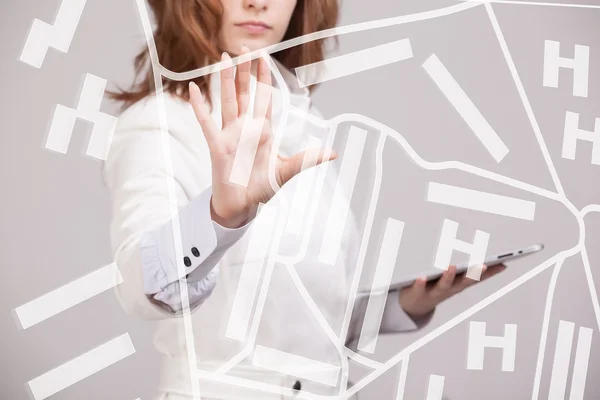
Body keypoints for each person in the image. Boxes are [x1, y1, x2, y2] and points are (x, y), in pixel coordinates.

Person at [103, 0, 506, 399]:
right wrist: (219, 217)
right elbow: (142, 285)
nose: (257, 2)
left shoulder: (299, 120)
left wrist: (407, 303)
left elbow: (305, 321)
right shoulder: (158, 124)